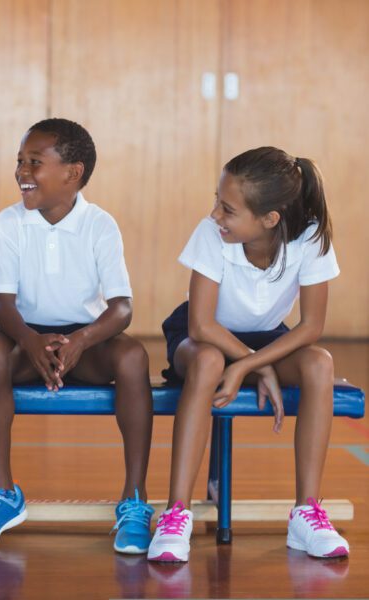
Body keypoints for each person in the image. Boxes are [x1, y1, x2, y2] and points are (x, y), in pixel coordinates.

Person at [148, 147, 348, 562]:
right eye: (217, 202)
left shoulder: (309, 238)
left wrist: (253, 365)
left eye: (227, 209)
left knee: (319, 363)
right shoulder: (211, 234)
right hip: (201, 337)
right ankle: (176, 512)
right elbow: (202, 326)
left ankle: (306, 511)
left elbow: (311, 327)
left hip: (265, 340)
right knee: (208, 362)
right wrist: (258, 369)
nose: (215, 215)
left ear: (270, 219)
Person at [0, 118, 154, 554]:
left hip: (84, 346)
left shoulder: (100, 225)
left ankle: (135, 499)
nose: (22, 172)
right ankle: (1, 494)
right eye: (19, 162)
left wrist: (81, 341)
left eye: (35, 163)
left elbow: (122, 307)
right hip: (22, 339)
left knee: (132, 357)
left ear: (73, 173)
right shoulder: (9, 222)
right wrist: (32, 342)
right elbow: (1, 304)